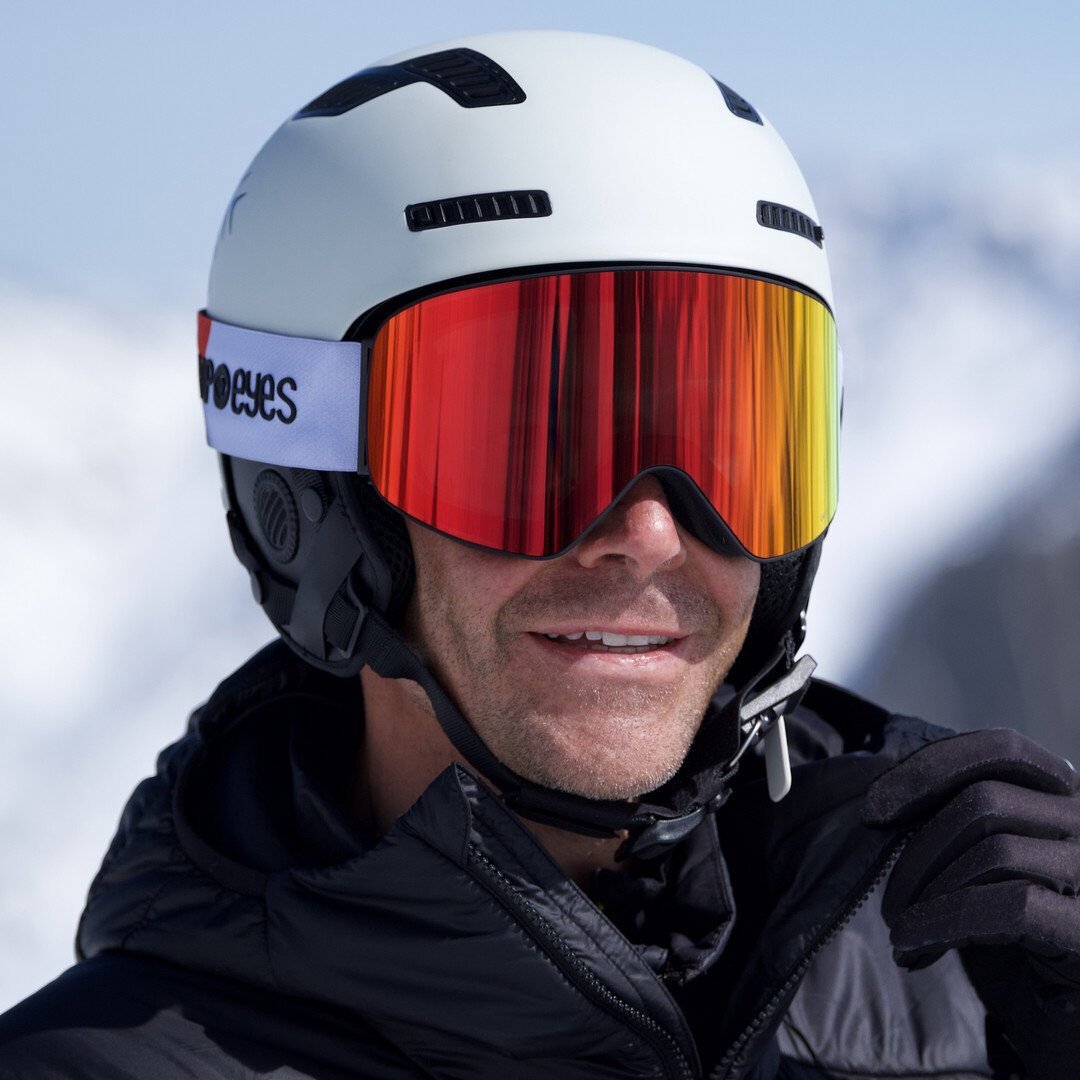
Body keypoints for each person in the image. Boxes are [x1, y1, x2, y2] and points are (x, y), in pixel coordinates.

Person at [1, 30, 1077, 1080]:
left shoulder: (972, 971)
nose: (649, 535)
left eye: (734, 451)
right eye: (527, 451)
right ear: (315, 500)